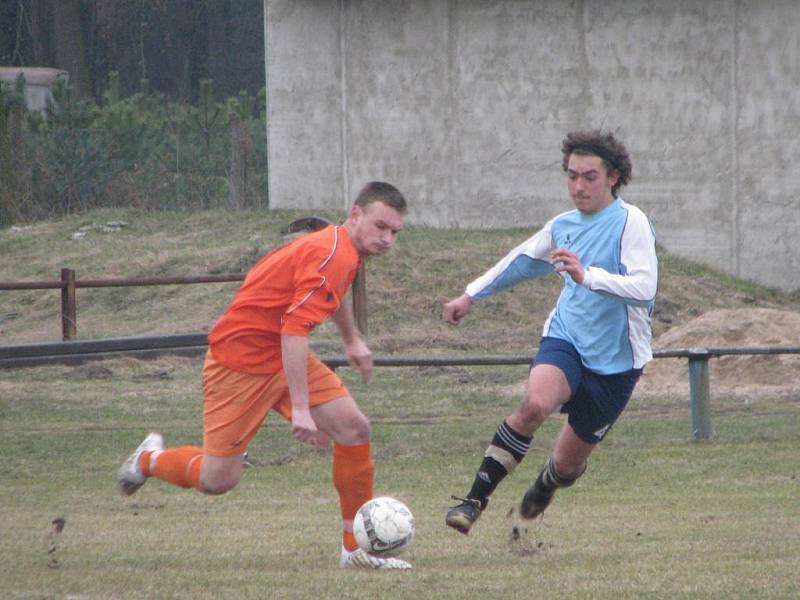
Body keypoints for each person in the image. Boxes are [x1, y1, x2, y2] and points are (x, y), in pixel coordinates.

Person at [117, 181, 412, 569]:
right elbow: (294, 329)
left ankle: (355, 550)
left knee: (354, 429)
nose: (387, 238)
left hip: (282, 357)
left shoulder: (343, 248)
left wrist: (352, 340)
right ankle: (148, 461)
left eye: (394, 232)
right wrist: (302, 408)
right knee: (217, 480)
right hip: (239, 364)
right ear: (355, 215)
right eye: (380, 227)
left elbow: (329, 294)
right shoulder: (333, 254)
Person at [443, 130, 657, 534]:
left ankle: (548, 481)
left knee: (568, 465)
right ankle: (473, 501)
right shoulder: (563, 226)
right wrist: (470, 295)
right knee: (534, 406)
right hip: (567, 340)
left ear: (613, 176)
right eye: (572, 175)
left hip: (617, 363)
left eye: (589, 176)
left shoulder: (632, 222)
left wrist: (586, 275)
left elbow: (644, 289)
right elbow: (520, 261)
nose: (579, 186)